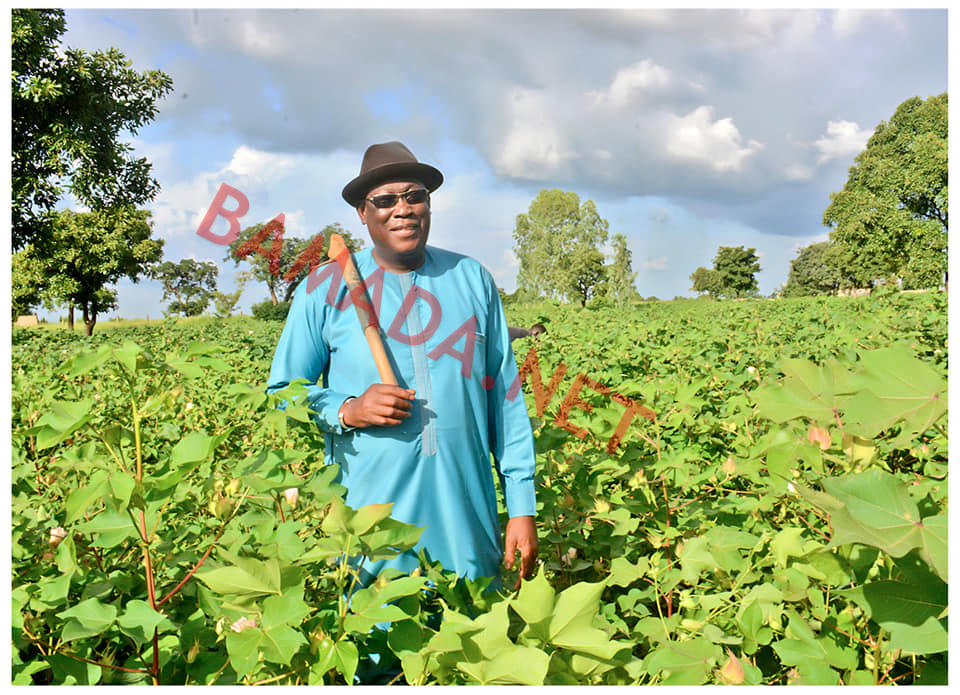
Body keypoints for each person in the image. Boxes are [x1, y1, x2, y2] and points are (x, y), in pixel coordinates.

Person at [267, 141, 538, 590]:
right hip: (372, 528)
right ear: (362, 212)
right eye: (385, 200)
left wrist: (522, 505)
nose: (403, 209)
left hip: (466, 519)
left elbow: (505, 401)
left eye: (415, 196)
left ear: (428, 204)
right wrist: (348, 409)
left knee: (474, 624)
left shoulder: (471, 279)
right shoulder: (325, 288)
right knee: (378, 627)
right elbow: (282, 393)